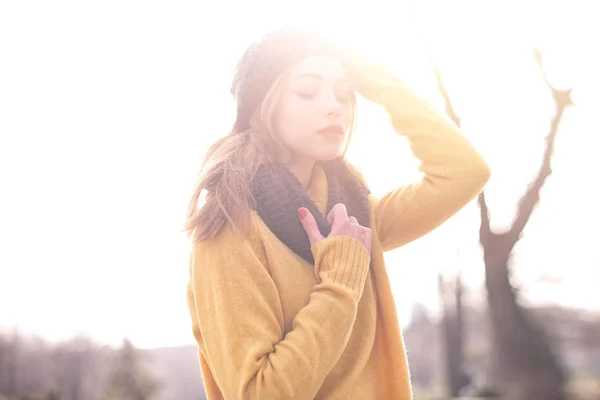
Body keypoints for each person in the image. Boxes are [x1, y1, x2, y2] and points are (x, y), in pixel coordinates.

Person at [185, 28, 490, 400]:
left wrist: (376, 81)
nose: (334, 106)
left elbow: (464, 172)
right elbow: (258, 393)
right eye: (308, 91)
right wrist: (340, 285)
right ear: (265, 106)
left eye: (343, 93)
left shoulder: (355, 215)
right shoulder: (229, 226)